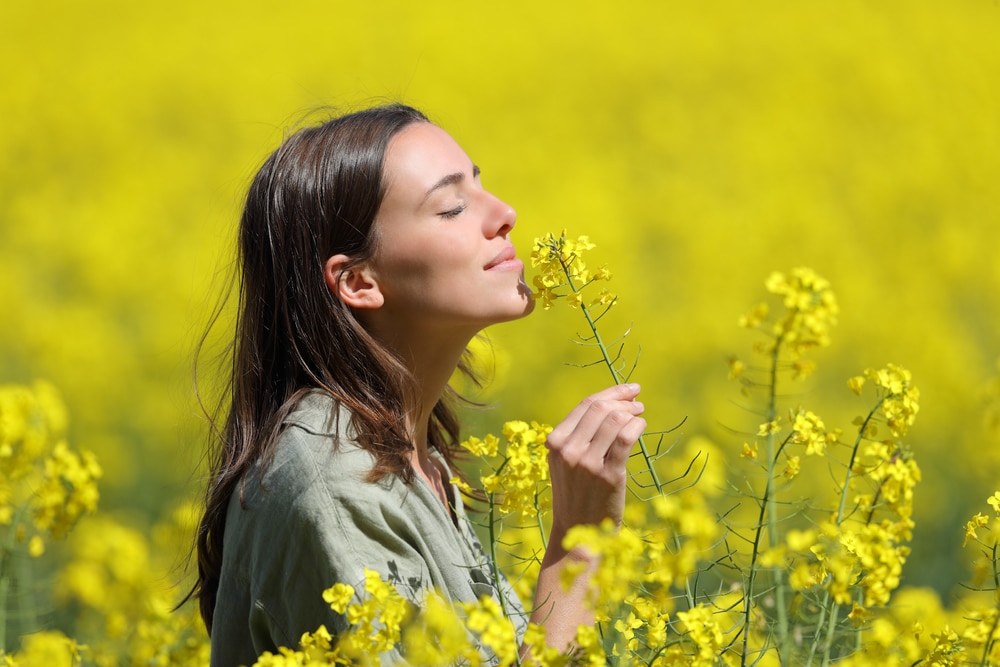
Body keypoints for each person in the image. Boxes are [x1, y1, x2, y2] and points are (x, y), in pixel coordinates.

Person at [190, 103, 647, 666]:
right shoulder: (333, 484)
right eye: (452, 207)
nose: (505, 214)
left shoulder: (404, 454)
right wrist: (580, 547)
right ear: (358, 281)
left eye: (481, 187)